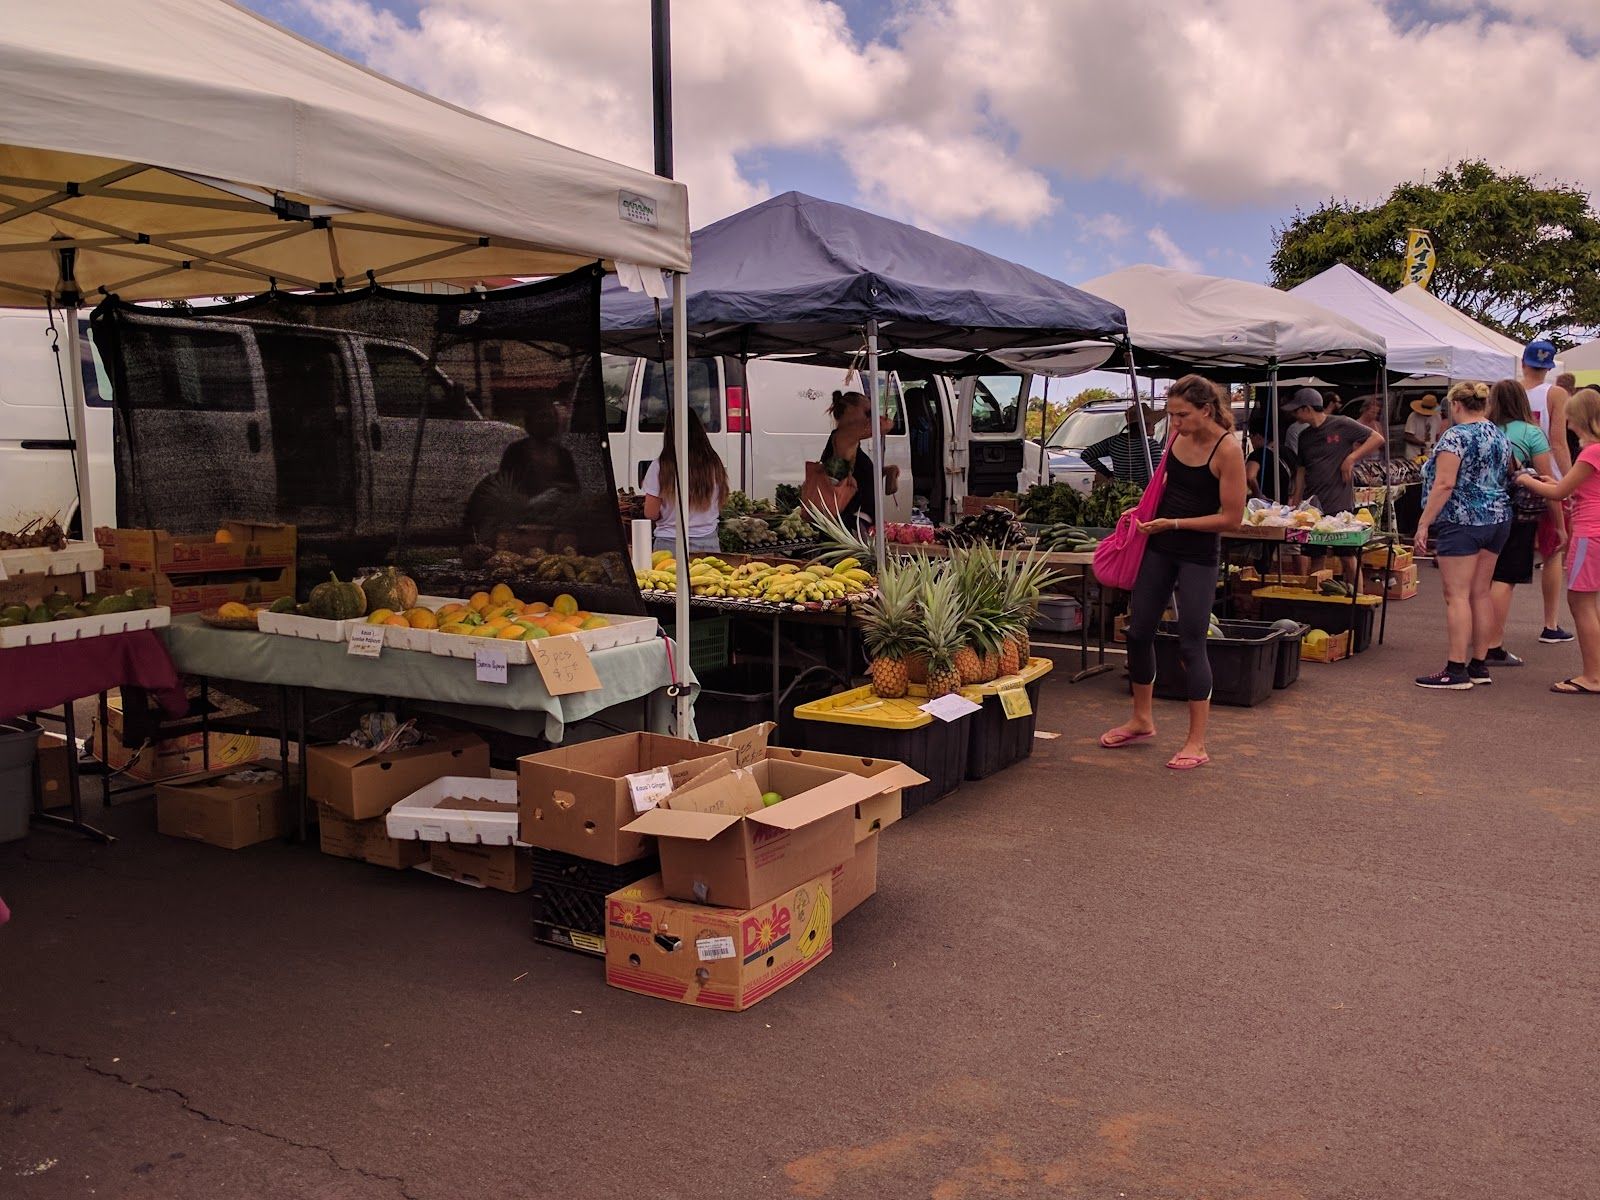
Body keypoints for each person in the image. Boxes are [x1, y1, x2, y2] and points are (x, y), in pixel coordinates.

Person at [1099, 374, 1247, 771]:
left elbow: (1231, 518)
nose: (1174, 423)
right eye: (1171, 415)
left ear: (1207, 409)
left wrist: (1175, 524)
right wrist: (1145, 511)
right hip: (1160, 547)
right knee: (1138, 632)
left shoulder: (1228, 450)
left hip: (1198, 555)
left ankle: (1196, 742)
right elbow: (1166, 485)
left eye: (1182, 415)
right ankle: (1141, 719)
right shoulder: (1177, 437)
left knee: (1190, 643)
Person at [1413, 381, 1512, 689]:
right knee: (1480, 593)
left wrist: (1423, 523)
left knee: (1456, 595)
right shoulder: (1499, 434)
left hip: (1462, 519)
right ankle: (1479, 665)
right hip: (1497, 518)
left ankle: (1455, 669)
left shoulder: (1455, 436)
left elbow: (1444, 484)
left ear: (1455, 405)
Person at [1514, 387, 1600, 694]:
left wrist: (1525, 479)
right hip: (1595, 531)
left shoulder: (1590, 452)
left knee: (1581, 602)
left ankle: (1593, 675)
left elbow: (1559, 493)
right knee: (1585, 603)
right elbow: (1573, 487)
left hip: (1590, 534)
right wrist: (1553, 482)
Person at [1483, 379, 1560, 668]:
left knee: (1483, 578)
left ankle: (1476, 635)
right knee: (1505, 578)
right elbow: (1545, 480)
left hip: (1479, 513)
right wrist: (1560, 523)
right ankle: (1492, 645)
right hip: (1517, 515)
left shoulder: (1481, 429)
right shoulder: (1531, 432)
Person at [1286, 386, 1385, 584]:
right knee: (1316, 556)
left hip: (1340, 506)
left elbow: (1377, 438)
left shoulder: (1342, 424)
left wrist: (1351, 458)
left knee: (1348, 557)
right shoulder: (1304, 436)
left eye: (1296, 409)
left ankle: (1358, 604)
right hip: (1313, 508)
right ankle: (1317, 602)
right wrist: (1296, 500)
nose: (1293, 414)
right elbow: (1301, 470)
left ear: (1307, 409)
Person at [1523, 339, 1576, 644]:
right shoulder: (1557, 394)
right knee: (1553, 550)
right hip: (1549, 481)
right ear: (1550, 367)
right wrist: (1569, 480)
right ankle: (1550, 623)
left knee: (1503, 554)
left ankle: (1491, 629)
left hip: (1514, 478)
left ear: (1523, 362)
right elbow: (1558, 442)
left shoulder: (1506, 390)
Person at [804, 389, 900, 530]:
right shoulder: (845, 436)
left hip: (855, 520)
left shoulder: (850, 440)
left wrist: (885, 471)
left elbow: (855, 474)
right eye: (867, 412)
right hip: (848, 523)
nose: (871, 416)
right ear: (849, 412)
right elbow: (885, 424)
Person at [643, 405, 728, 554]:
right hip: (708, 543)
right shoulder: (714, 463)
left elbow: (650, 512)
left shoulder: (660, 465)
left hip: (669, 544)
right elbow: (721, 501)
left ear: (669, 432)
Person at [1082, 402, 1163, 486]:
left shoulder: (1114, 442)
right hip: (1145, 494)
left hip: (1120, 491)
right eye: (1151, 423)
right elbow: (1158, 475)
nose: (1154, 426)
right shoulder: (1151, 446)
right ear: (1142, 425)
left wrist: (1108, 474)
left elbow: (1086, 455)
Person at [1245, 418, 1291, 501]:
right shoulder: (1285, 452)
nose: (1251, 441)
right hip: (1284, 505)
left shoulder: (1257, 454)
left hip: (1265, 505)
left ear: (1258, 436)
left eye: (1251, 437)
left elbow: (1250, 476)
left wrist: (1258, 494)